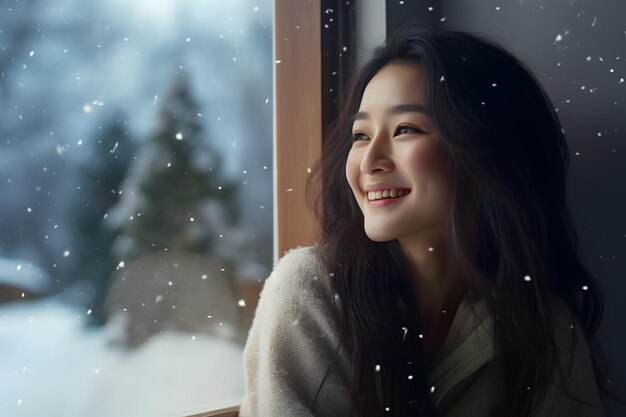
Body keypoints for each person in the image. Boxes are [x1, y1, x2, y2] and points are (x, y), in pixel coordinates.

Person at [239, 25, 608, 416]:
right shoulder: (310, 292)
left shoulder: (541, 323)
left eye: (405, 129)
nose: (369, 161)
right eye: (360, 135)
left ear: (483, 152)